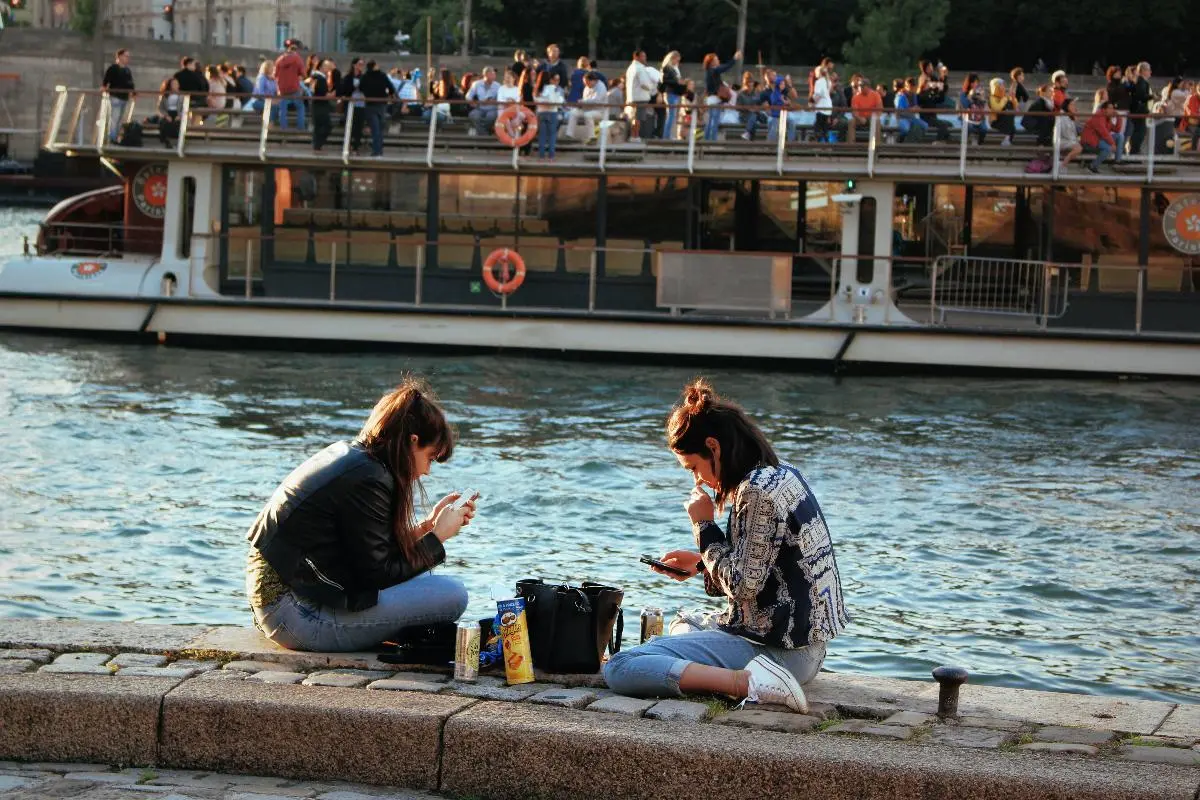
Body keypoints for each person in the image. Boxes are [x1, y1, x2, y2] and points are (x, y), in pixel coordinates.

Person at [603, 379, 848, 712]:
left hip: (781, 654)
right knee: (682, 626)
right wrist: (702, 564)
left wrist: (703, 527)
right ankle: (737, 677)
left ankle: (746, 684)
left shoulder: (755, 492)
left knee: (621, 667)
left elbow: (744, 585)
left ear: (713, 447)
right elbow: (766, 571)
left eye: (694, 468)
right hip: (805, 648)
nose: (697, 480)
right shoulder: (781, 474)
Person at [246, 379, 475, 652]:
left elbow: (365, 552)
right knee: (452, 595)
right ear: (412, 441)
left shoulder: (356, 459)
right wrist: (438, 537)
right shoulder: (370, 477)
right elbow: (377, 575)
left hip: (283, 605)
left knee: (426, 584)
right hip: (295, 615)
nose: (427, 471)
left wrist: (426, 527)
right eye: (429, 457)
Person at [358, 60, 396, 157]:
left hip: (370, 104)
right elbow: (391, 87)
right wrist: (390, 95)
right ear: (375, 66)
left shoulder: (365, 77)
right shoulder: (382, 76)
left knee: (375, 128)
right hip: (382, 104)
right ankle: (379, 150)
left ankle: (376, 151)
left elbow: (360, 88)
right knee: (380, 128)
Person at [702, 50, 741, 140]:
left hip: (712, 99)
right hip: (715, 100)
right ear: (712, 62)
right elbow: (725, 68)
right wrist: (734, 59)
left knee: (710, 121)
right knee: (714, 122)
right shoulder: (713, 70)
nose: (718, 61)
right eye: (716, 59)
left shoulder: (709, 72)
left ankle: (706, 141)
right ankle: (711, 142)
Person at [102, 49, 134, 143]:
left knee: (119, 119)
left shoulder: (127, 70)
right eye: (126, 56)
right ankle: (112, 138)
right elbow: (106, 80)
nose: (128, 58)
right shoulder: (113, 68)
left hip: (124, 97)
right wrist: (104, 87)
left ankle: (115, 137)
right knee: (115, 118)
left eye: (128, 56)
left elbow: (130, 83)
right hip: (115, 96)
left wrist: (133, 93)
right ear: (119, 57)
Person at [1081, 100, 1122, 173]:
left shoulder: (1107, 118)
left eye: (1113, 108)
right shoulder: (1099, 116)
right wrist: (1112, 143)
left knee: (1120, 136)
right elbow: (1103, 132)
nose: (1112, 110)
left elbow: (1116, 130)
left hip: (1099, 139)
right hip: (1090, 142)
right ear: (1104, 109)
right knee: (1108, 148)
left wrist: (1119, 118)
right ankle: (1092, 166)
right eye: (1110, 108)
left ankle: (1117, 161)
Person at [275, 38, 307, 131]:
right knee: (300, 107)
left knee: (283, 109)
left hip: (282, 89)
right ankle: (300, 129)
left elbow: (275, 74)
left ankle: (283, 129)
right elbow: (304, 74)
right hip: (294, 88)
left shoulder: (279, 60)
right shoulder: (297, 59)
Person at [534, 70, 564, 161]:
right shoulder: (552, 88)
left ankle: (541, 156)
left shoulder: (537, 88)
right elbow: (557, 101)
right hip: (552, 112)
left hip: (541, 112)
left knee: (542, 135)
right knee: (552, 135)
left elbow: (535, 100)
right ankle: (551, 156)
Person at [466, 67, 500, 136]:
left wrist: (493, 101)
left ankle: (482, 133)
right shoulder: (477, 84)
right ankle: (485, 135)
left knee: (491, 117)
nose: (494, 76)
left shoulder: (498, 85)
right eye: (492, 74)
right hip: (479, 108)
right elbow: (468, 96)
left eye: (494, 74)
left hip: (492, 109)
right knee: (473, 115)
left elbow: (501, 99)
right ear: (486, 74)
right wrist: (474, 103)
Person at [309, 59, 334, 152]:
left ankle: (317, 146)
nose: (328, 67)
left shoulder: (316, 77)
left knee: (319, 127)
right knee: (326, 126)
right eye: (326, 66)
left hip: (317, 105)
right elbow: (322, 93)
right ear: (321, 67)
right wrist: (332, 95)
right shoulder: (320, 79)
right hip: (320, 106)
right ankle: (318, 145)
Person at [660, 51, 685, 140]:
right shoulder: (667, 67)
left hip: (675, 93)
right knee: (671, 115)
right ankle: (667, 135)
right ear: (672, 59)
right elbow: (665, 80)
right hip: (671, 93)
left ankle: (669, 134)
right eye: (676, 60)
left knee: (672, 115)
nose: (677, 62)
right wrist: (677, 81)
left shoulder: (674, 68)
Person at [1056, 96, 1083, 170]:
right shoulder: (1063, 116)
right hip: (1062, 140)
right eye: (1072, 105)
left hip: (1068, 139)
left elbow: (1077, 129)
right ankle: (1063, 165)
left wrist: (1075, 118)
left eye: (1074, 105)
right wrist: (1075, 141)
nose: (1074, 107)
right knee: (1078, 148)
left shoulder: (1070, 116)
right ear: (1067, 106)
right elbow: (1066, 132)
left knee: (1081, 145)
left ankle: (1062, 164)